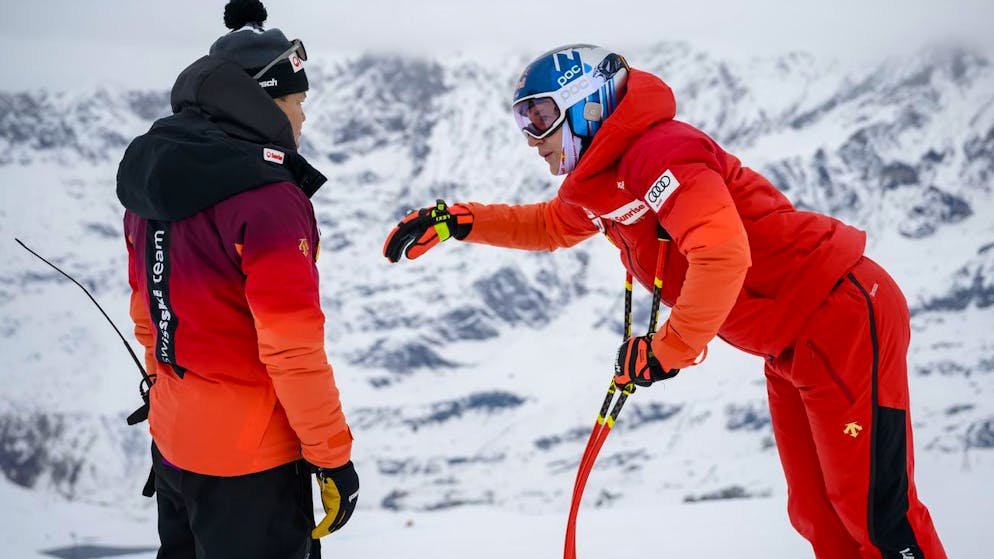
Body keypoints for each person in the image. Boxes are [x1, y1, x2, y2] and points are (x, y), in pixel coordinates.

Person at [383, 44, 946, 558]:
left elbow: (722, 254)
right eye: (523, 121)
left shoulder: (661, 152)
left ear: (589, 105)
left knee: (876, 516)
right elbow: (551, 225)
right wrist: (461, 222)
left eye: (542, 116)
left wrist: (666, 350)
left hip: (838, 312)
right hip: (790, 340)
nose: (534, 137)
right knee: (819, 517)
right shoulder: (603, 180)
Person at [116, 1, 357, 556]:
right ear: (265, 99)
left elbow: (149, 314)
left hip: (175, 444)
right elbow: (292, 348)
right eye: (298, 101)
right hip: (252, 469)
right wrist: (331, 458)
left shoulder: (158, 177)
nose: (303, 118)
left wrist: (176, 413)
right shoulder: (268, 199)